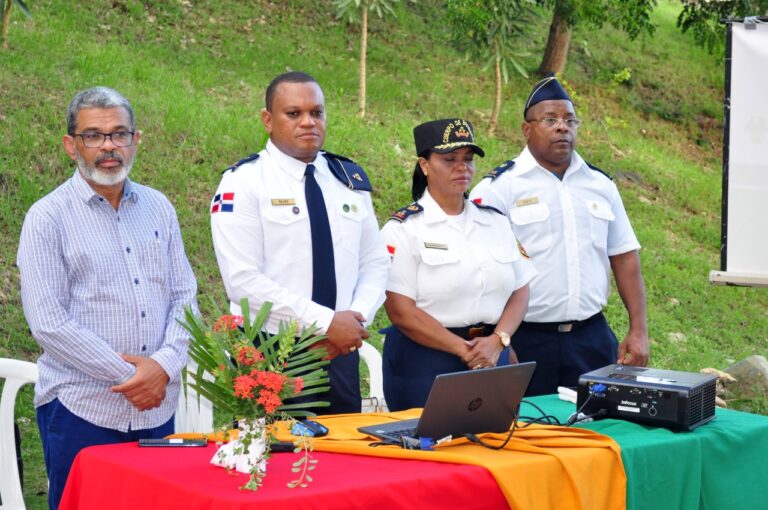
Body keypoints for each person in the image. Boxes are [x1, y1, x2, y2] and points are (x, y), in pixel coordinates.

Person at [17, 86, 198, 510]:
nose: (108, 146)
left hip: (157, 410)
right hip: (82, 410)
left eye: (119, 134)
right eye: (93, 136)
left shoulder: (159, 208)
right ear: (70, 145)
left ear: (137, 140)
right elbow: (48, 322)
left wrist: (163, 367)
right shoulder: (47, 217)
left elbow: (185, 296)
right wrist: (134, 377)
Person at [210, 71, 390, 415]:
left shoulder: (347, 180)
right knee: (275, 460)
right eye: (294, 114)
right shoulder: (244, 182)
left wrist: (355, 318)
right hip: (274, 352)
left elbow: (375, 262)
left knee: (343, 460)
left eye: (317, 112)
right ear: (268, 120)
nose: (308, 122)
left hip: (340, 350)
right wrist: (325, 322)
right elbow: (242, 281)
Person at [469, 75, 649, 396]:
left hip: (591, 339)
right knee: (524, 433)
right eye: (550, 120)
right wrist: (498, 339)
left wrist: (638, 329)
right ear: (527, 130)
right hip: (524, 340)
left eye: (569, 120)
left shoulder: (600, 185)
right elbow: (479, 270)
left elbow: (624, 257)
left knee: (598, 431)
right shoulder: (499, 188)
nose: (562, 127)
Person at [380, 118, 536, 412]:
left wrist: (499, 340)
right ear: (425, 165)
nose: (462, 167)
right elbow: (401, 310)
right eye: (449, 159)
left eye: (468, 159)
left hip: (492, 353)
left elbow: (521, 289)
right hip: (425, 360)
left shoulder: (495, 221)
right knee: (429, 448)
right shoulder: (403, 229)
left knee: (496, 445)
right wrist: (465, 350)